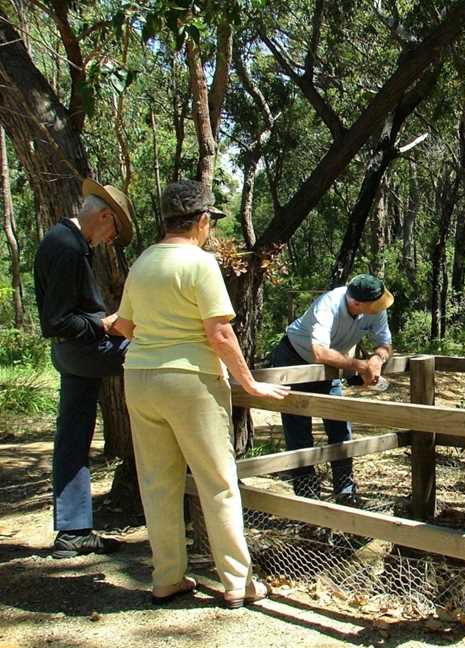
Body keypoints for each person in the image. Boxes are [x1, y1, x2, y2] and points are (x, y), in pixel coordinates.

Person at [114, 180, 291, 607]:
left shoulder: (142, 263)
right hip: (190, 381)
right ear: (201, 220)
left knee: (157, 483)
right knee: (218, 482)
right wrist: (248, 383)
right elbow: (220, 333)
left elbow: (123, 326)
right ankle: (238, 583)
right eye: (209, 221)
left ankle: (166, 578)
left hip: (139, 377)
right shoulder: (200, 263)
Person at [34, 178, 135, 559]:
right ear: (104, 216)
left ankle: (73, 532)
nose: (111, 238)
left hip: (76, 353)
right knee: (157, 354)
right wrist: (103, 324)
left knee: (73, 438)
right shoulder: (68, 249)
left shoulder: (64, 241)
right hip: (81, 350)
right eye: (114, 230)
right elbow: (56, 321)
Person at [269, 274, 394, 503]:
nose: (379, 309)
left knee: (340, 428)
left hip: (332, 365)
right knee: (299, 431)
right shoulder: (328, 305)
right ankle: (308, 498)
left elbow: (385, 343)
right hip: (294, 360)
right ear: (357, 303)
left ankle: (345, 494)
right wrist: (358, 366)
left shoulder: (376, 307)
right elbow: (320, 352)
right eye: (374, 306)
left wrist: (377, 358)